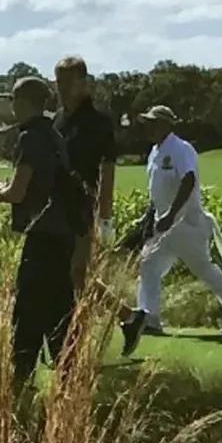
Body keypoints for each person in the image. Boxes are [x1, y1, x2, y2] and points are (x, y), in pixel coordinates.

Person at [0, 77, 76, 390]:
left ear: (22, 102)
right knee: (60, 311)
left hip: (42, 237)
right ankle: (68, 382)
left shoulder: (30, 137)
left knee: (29, 312)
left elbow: (18, 190)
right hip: (64, 237)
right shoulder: (54, 134)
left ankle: (20, 381)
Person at [53, 55, 147, 356]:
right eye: (59, 83)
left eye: (68, 83)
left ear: (83, 83)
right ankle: (126, 318)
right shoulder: (58, 120)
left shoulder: (98, 123)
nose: (63, 89)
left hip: (85, 208)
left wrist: (105, 218)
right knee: (73, 277)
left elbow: (107, 170)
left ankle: (86, 335)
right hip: (58, 211)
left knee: (77, 274)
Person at [136, 105, 222, 335]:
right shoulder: (154, 152)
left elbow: (188, 180)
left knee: (203, 269)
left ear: (166, 124)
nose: (149, 127)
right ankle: (149, 318)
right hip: (163, 226)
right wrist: (149, 216)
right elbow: (156, 190)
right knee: (148, 265)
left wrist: (171, 214)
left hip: (186, 224)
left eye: (153, 122)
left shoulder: (181, 149)